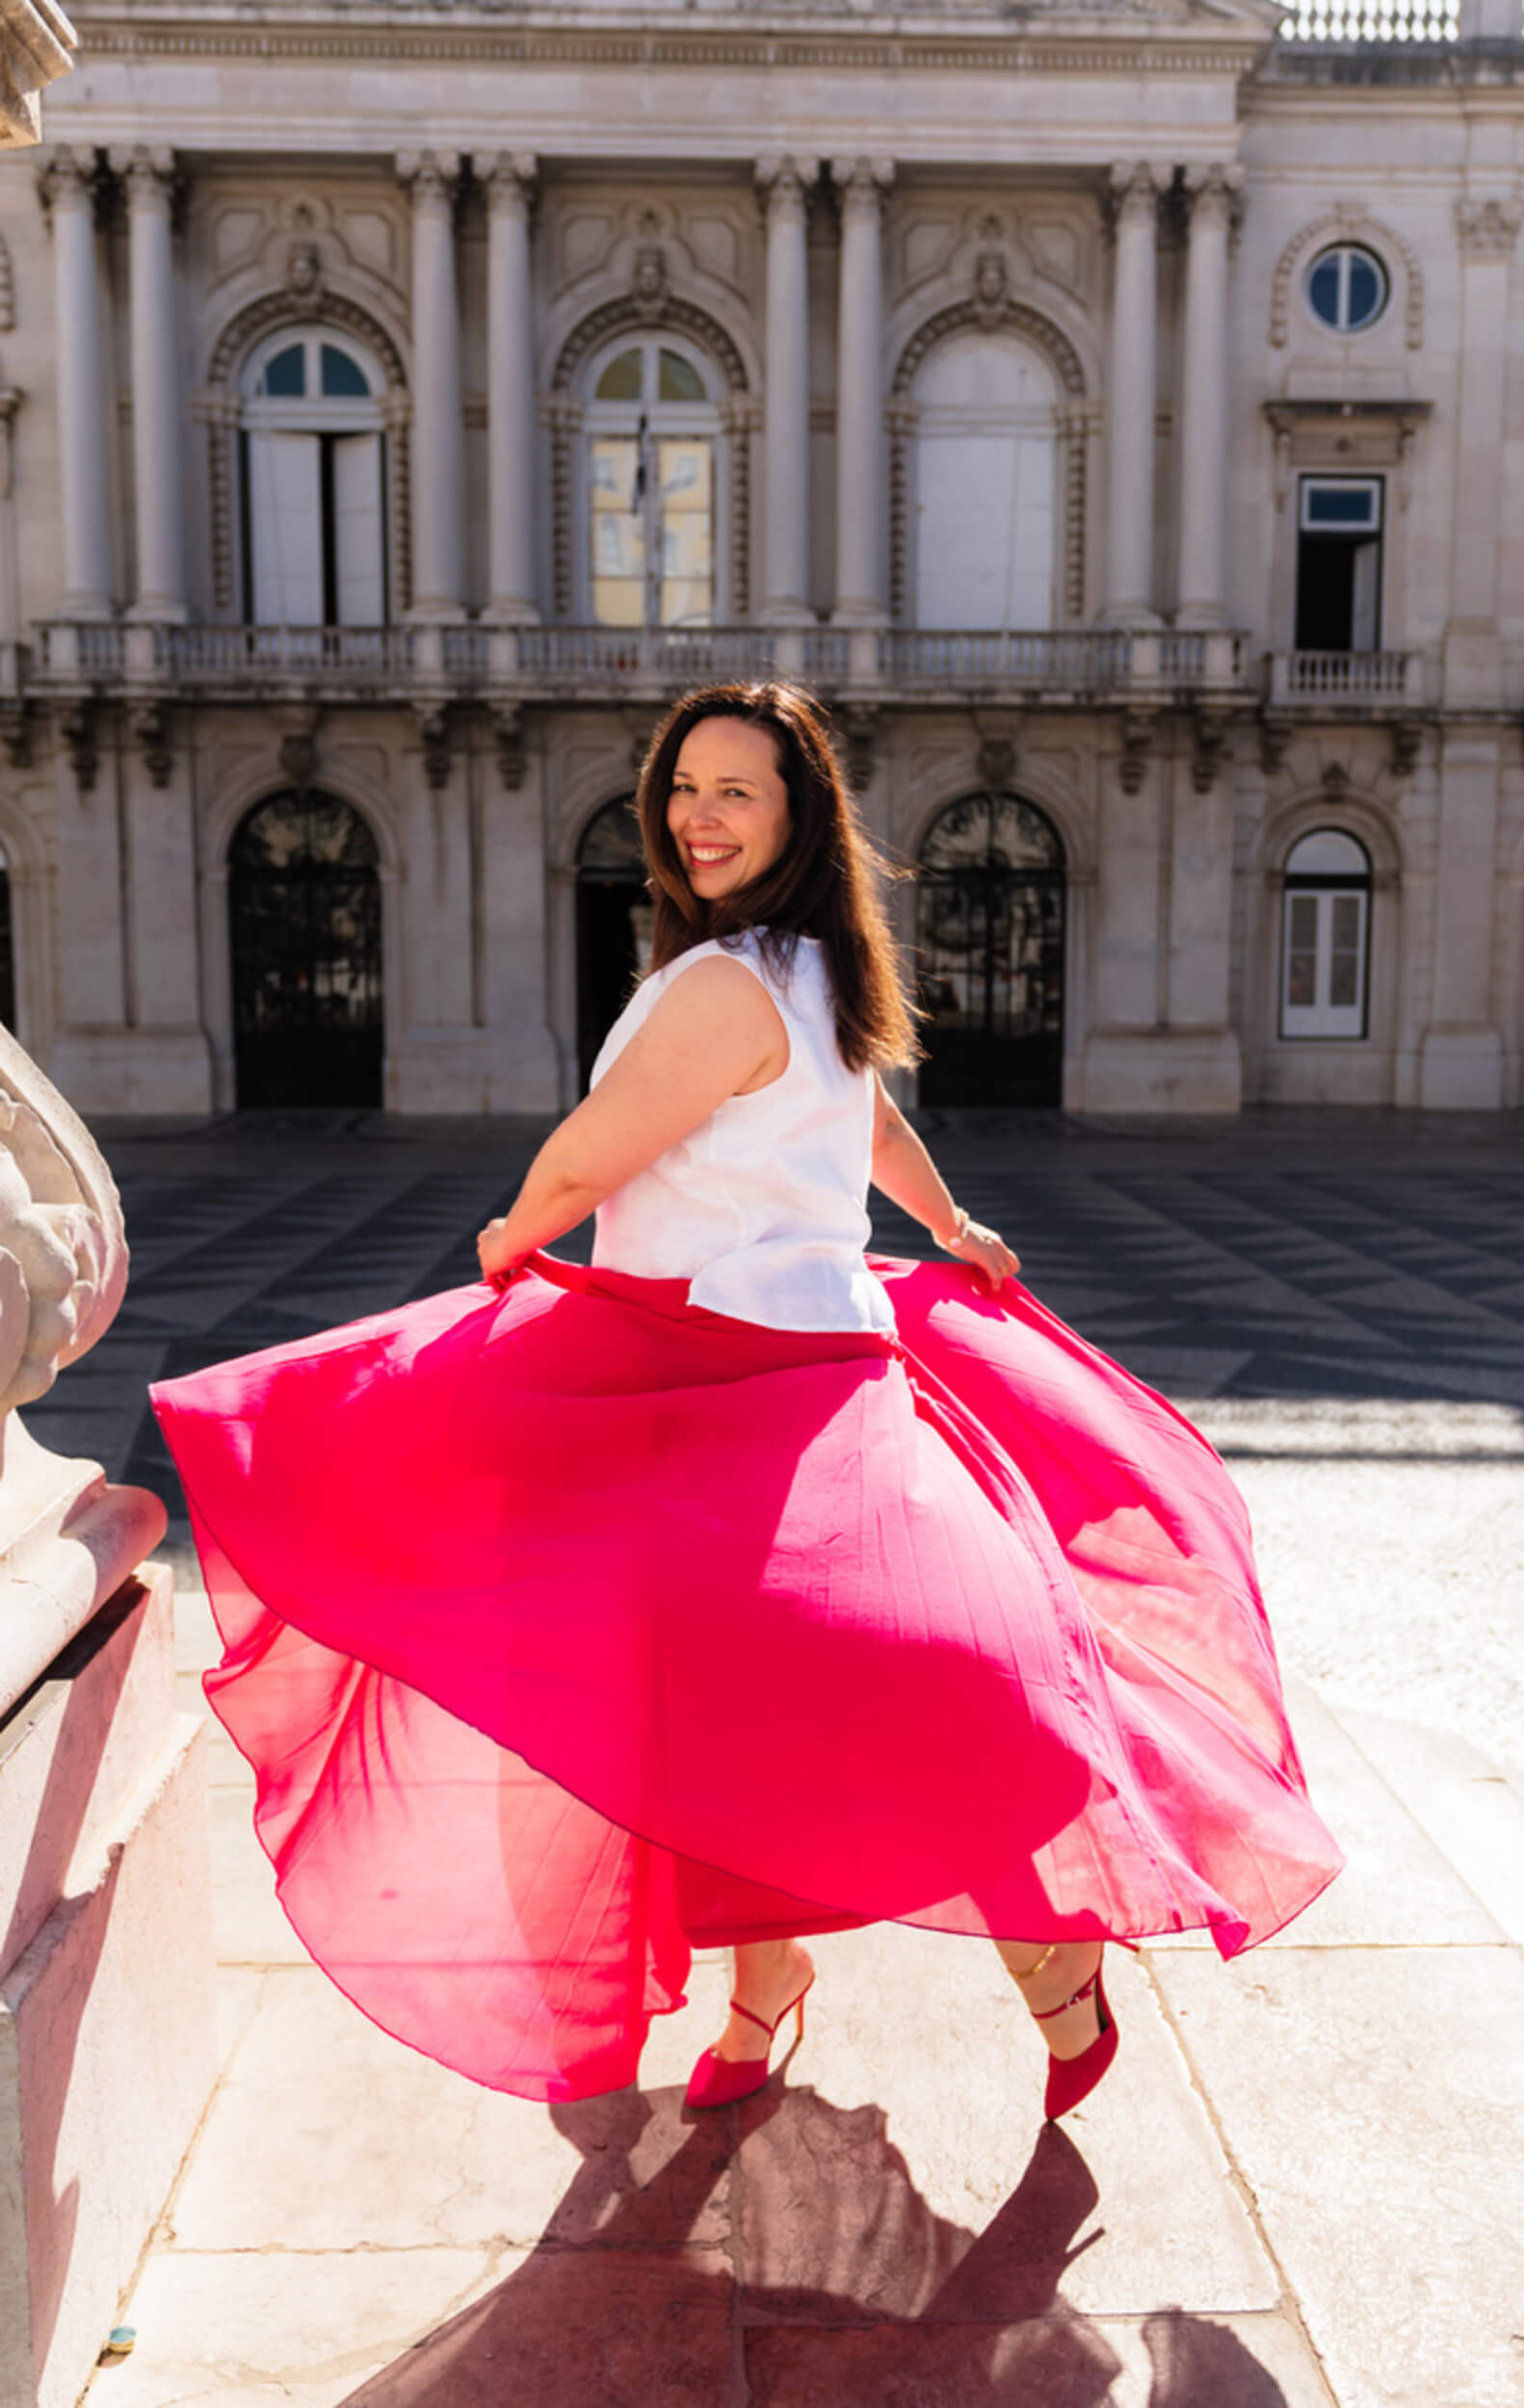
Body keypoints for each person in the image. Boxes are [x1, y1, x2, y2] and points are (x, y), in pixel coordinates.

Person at [152, 681, 1342, 2125]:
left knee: (863, 1700)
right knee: (706, 1712)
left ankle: (1040, 1962)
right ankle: (775, 1988)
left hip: (741, 1377)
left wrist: (514, 1236)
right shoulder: (790, 965)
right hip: (720, 1369)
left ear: (795, 818)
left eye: (736, 793)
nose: (696, 817)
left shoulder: (733, 982)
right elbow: (872, 1113)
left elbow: (599, 1149)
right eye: (683, 787)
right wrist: (951, 1223)